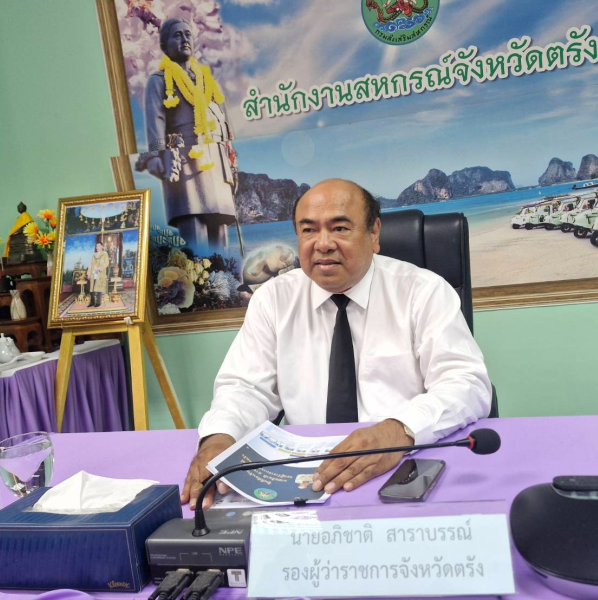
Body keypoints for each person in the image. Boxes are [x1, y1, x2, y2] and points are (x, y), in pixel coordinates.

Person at [182, 179, 492, 509]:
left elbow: (466, 383)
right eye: (308, 230)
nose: (323, 244)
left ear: (374, 233)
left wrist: (398, 431)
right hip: (309, 474)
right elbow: (245, 388)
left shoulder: (423, 291)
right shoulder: (273, 299)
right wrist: (220, 437)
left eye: (340, 228)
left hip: (401, 466)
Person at [140, 18, 239, 251]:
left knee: (221, 243)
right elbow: (156, 122)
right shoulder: (159, 82)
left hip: (217, 165)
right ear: (164, 45)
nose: (184, 39)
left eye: (187, 34)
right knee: (196, 242)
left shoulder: (209, 82)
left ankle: (225, 276)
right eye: (177, 35)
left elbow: (225, 128)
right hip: (185, 165)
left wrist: (233, 166)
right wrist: (157, 157)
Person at [87, 242, 109, 308]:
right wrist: (89, 273)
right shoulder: (94, 255)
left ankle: (98, 302)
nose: (97, 247)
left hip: (100, 273)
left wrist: (100, 268)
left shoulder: (105, 254)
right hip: (93, 272)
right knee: (92, 288)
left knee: (98, 287)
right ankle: (92, 302)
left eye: (99, 246)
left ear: (102, 247)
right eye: (96, 246)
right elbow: (91, 264)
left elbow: (106, 263)